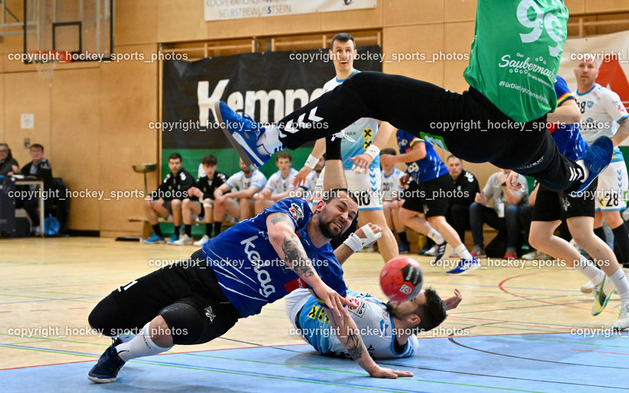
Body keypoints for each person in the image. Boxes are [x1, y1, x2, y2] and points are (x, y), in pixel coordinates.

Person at [215, 0, 613, 200]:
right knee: (559, 172)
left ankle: (265, 141)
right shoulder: (558, 7)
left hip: (477, 128)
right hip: (528, 138)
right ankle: (580, 175)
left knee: (364, 89)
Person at [87, 139, 412, 383]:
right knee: (101, 319)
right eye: (341, 207)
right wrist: (316, 284)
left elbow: (343, 322)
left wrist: (371, 366)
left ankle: (119, 354)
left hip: (221, 307)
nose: (345, 217)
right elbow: (281, 236)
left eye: (352, 216)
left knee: (166, 327)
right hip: (191, 272)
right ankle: (126, 336)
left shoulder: (329, 267)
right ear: (320, 206)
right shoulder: (295, 209)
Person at [521, 76, 629, 330]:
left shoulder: (549, 80)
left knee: (582, 233)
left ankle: (626, 296)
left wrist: (532, 119)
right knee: (538, 237)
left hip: (577, 165)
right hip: (550, 170)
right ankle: (598, 277)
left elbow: (572, 115)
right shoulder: (514, 94)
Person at [293, 33, 399, 263]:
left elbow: (388, 123)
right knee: (316, 218)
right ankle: (313, 275)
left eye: (348, 50)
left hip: (362, 168)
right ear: (331, 55)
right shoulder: (328, 88)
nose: (344, 55)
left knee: (376, 225)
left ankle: (401, 279)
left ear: (355, 54)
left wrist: (370, 153)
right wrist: (309, 165)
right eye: (339, 50)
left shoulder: (365, 84)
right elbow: (325, 132)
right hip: (333, 168)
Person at [382, 130, 480, 275]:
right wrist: (409, 173)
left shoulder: (409, 127)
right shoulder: (400, 132)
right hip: (422, 180)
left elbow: (420, 152)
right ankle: (440, 240)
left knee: (436, 219)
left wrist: (394, 159)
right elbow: (416, 157)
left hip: (435, 178)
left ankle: (467, 258)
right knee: (405, 214)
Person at [287, 287, 461, 359]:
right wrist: (440, 309)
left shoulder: (370, 317)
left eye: (411, 298)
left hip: (302, 299)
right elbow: (416, 325)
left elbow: (322, 281)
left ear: (413, 319)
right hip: (309, 324)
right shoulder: (407, 347)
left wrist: (356, 242)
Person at [574, 55, 629, 278]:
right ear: (575, 70)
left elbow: (626, 124)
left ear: (597, 72)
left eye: (590, 66)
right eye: (581, 65)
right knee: (594, 219)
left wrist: (607, 146)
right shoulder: (570, 99)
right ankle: (606, 271)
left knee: (612, 217)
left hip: (610, 165)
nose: (585, 69)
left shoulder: (605, 96)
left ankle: (627, 267)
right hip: (587, 166)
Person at [470, 169, 529, 259]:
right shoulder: (494, 177)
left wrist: (504, 183)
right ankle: (478, 247)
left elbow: (514, 202)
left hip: (516, 220)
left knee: (511, 209)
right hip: (499, 216)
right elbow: (485, 198)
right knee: (475, 207)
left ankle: (511, 249)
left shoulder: (520, 179)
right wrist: (480, 200)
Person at [172, 154, 227, 246]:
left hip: (221, 209)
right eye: (207, 167)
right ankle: (188, 236)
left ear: (216, 166)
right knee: (186, 202)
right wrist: (191, 194)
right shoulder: (202, 179)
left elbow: (224, 196)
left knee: (208, 201)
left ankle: (209, 235)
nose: (209, 169)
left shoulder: (221, 177)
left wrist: (203, 195)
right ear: (203, 167)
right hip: (206, 209)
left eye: (212, 166)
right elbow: (196, 197)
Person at [143, 153, 195, 244]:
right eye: (172, 163)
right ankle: (158, 234)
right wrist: (150, 196)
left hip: (187, 211)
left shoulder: (186, 177)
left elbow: (183, 194)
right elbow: (160, 190)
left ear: (181, 164)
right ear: (169, 164)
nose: (174, 166)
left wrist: (165, 197)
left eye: (177, 163)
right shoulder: (169, 177)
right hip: (171, 211)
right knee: (148, 201)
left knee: (175, 202)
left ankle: (177, 233)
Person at [212, 159, 267, 231]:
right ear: (239, 164)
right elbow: (219, 190)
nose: (245, 165)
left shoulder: (258, 176)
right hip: (243, 208)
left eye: (247, 163)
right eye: (242, 163)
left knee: (245, 200)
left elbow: (249, 193)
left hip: (258, 209)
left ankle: (242, 231)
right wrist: (219, 198)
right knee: (219, 201)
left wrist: (228, 195)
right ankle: (216, 234)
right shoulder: (238, 175)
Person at [17, 144, 53, 236]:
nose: (36, 153)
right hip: (29, 195)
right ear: (30, 153)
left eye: (38, 151)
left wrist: (26, 175)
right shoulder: (28, 166)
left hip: (44, 195)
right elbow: (21, 174)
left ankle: (37, 225)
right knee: (15, 201)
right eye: (33, 151)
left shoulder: (46, 165)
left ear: (42, 153)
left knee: (29, 203)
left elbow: (40, 176)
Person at [380, 148, 410, 253]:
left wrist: (386, 198)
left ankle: (403, 242)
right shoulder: (378, 175)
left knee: (392, 206)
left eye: (388, 159)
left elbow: (398, 195)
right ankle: (389, 241)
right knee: (385, 206)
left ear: (394, 160)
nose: (386, 163)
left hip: (397, 203)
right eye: (383, 159)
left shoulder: (400, 176)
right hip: (384, 203)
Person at [445, 155, 479, 244]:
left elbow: (462, 198)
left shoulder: (469, 178)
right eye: (451, 165)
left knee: (456, 208)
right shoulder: (444, 179)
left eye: (457, 165)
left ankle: (459, 245)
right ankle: (436, 245)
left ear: (462, 166)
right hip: (450, 214)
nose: (454, 168)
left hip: (469, 216)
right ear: (447, 167)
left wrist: (450, 197)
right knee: (435, 209)